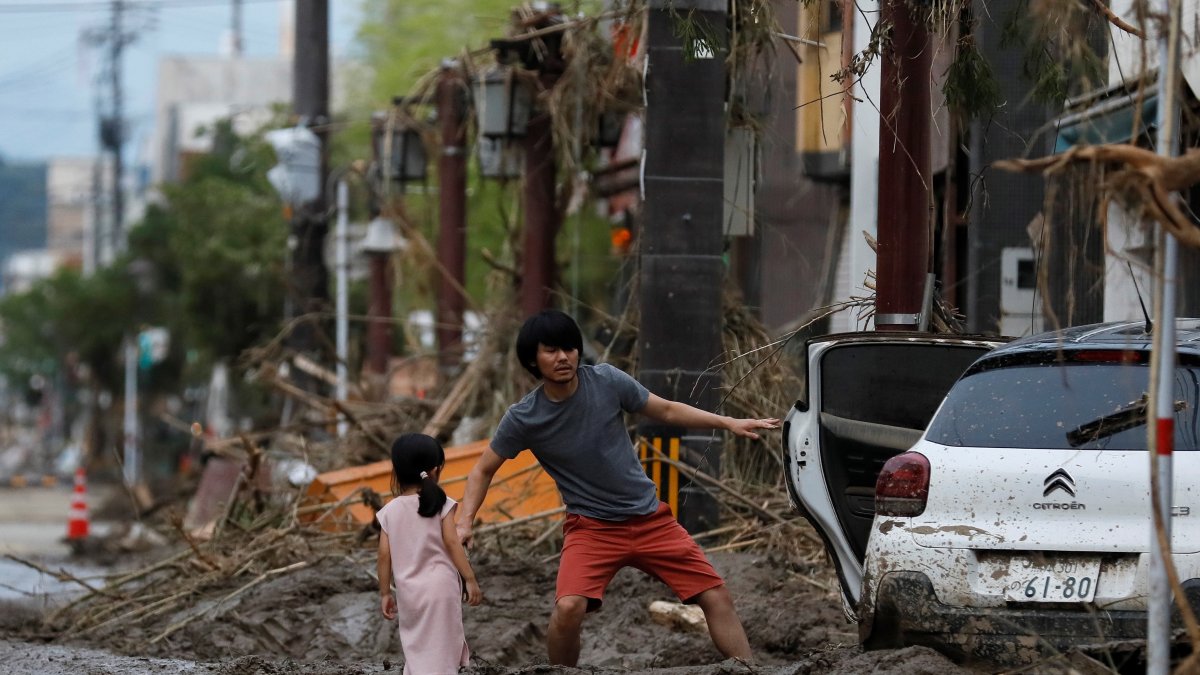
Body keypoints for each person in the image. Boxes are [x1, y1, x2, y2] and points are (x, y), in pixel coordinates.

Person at [456, 309, 779, 666]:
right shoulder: (524, 417)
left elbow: (668, 410)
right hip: (591, 529)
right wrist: (465, 520)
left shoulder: (607, 381)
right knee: (568, 608)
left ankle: (749, 670)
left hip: (650, 520)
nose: (563, 357)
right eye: (551, 350)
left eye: (569, 348)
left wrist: (728, 421)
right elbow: (483, 469)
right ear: (533, 359)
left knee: (716, 596)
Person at [377, 433, 483, 675]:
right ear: (434, 470)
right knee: (443, 651)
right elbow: (452, 543)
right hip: (441, 589)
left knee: (417, 649)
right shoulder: (441, 504)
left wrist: (385, 592)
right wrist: (469, 578)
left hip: (408, 594)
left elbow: (384, 556)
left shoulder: (388, 512)